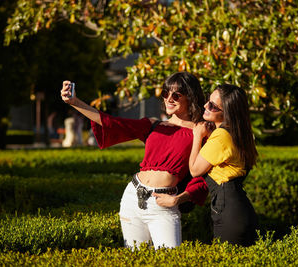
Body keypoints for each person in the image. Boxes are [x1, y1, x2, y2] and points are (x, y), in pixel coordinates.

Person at [60, 72, 208, 249]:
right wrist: (75, 102)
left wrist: (178, 199)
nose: (169, 99)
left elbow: (202, 179)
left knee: (171, 258)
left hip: (163, 203)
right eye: (165, 93)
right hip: (132, 196)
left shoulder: (199, 132)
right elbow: (113, 123)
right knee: (134, 258)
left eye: (176, 95)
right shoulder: (154, 125)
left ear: (190, 97)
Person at [189, 84, 259, 246]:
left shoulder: (221, 136)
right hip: (240, 208)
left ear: (227, 112)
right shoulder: (240, 132)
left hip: (229, 211)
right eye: (208, 101)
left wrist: (197, 136)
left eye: (212, 106)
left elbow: (194, 170)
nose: (205, 106)